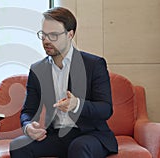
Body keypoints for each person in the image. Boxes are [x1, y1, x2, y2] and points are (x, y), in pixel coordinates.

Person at [10, 7, 118, 158]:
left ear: (70, 34)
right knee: (18, 146)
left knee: (79, 147)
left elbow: (106, 109)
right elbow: (28, 111)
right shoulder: (37, 69)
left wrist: (77, 105)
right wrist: (28, 126)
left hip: (91, 135)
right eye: (43, 35)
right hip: (57, 135)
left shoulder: (94, 64)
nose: (46, 40)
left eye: (53, 35)